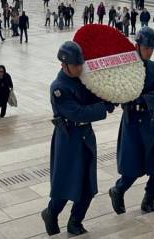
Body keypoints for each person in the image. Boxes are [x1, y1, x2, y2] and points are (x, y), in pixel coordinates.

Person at [41, 41, 115, 236]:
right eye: (75, 65)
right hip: (68, 139)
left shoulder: (82, 80)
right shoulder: (58, 88)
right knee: (66, 185)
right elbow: (77, 113)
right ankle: (51, 213)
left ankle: (75, 221)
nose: (80, 68)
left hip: (85, 137)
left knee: (88, 185)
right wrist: (102, 108)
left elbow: (95, 97)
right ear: (64, 65)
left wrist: (108, 97)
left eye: (80, 64)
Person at [109, 27, 154, 216]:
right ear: (137, 46)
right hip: (132, 123)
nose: (149, 51)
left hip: (151, 122)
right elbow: (116, 90)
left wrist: (143, 101)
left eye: (151, 48)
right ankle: (118, 190)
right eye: (146, 47)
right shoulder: (125, 68)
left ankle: (149, 199)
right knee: (132, 168)